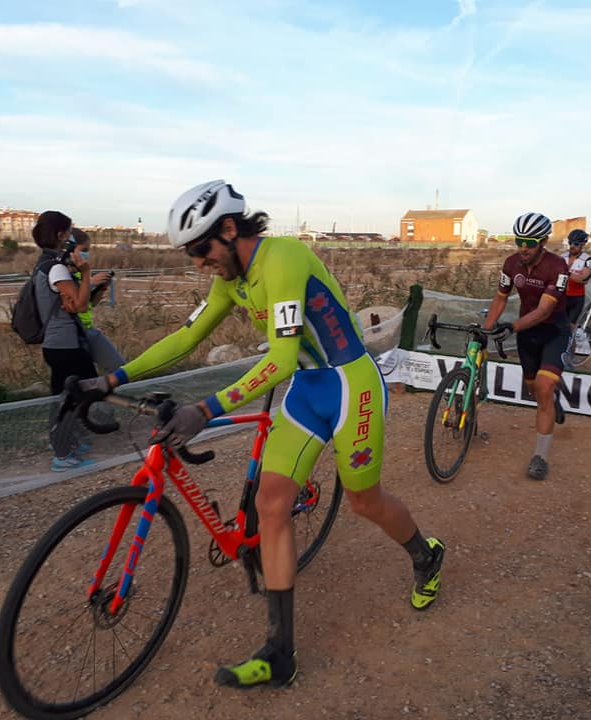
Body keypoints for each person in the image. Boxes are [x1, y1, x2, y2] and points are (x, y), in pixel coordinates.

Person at [76, 180, 445, 688]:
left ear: (229, 229)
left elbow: (282, 357)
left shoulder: (283, 258)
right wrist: (111, 379)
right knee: (271, 505)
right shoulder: (231, 279)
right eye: (190, 254)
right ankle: (279, 653)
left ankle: (426, 555)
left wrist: (206, 408)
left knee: (365, 501)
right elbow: (186, 337)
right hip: (308, 392)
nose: (198, 263)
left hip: (351, 385)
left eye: (201, 249)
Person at [482, 212, 570, 481]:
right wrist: (486, 329)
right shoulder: (511, 264)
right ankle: (551, 399)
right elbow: (500, 298)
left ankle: (540, 457)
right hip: (526, 334)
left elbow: (544, 311)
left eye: (529, 243)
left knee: (543, 386)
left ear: (543, 242)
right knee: (535, 389)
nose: (523, 247)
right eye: (518, 241)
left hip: (554, 332)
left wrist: (512, 326)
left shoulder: (558, 267)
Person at [31, 211, 110, 471]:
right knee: (67, 399)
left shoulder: (47, 264)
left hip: (62, 343)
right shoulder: (55, 268)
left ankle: (69, 442)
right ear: (60, 235)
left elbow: (71, 303)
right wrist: (86, 274)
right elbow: (79, 305)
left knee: (73, 394)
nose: (70, 238)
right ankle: (63, 454)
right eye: (68, 232)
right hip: (63, 344)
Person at [70, 228, 125, 374]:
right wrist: (91, 283)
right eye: (84, 250)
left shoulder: (80, 274)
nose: (86, 254)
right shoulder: (64, 275)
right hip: (73, 332)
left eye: (88, 250)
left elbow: (91, 303)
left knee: (119, 368)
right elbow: (74, 302)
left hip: (88, 328)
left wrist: (100, 288)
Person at [560, 229, 591, 331]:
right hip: (561, 296)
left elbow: (584, 279)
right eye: (570, 243)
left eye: (576, 244)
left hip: (576, 298)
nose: (572, 246)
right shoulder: (562, 257)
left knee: (570, 327)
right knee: (558, 325)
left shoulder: (588, 260)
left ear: (583, 245)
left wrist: (567, 272)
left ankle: (571, 341)